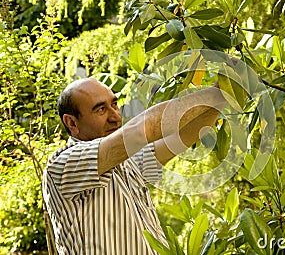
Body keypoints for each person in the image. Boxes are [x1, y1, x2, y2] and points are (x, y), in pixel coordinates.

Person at [42, 77, 226, 254]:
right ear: (72, 123)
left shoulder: (125, 162)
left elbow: (186, 136)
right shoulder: (64, 165)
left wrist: (225, 93)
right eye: (100, 110)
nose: (114, 116)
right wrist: (216, 93)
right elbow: (141, 130)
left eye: (114, 104)